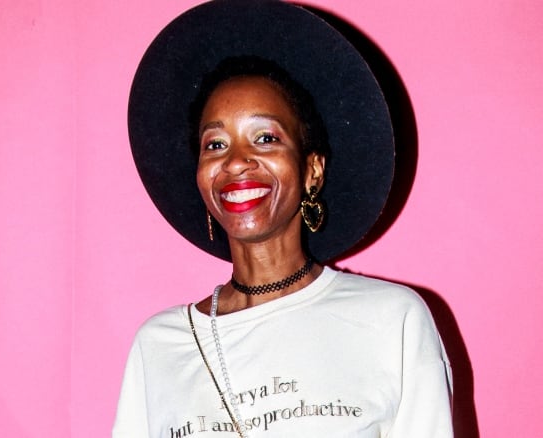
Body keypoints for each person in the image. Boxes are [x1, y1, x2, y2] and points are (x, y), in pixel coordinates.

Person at [115, 1, 453, 437]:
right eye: (215, 145)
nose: (237, 162)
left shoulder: (393, 321)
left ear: (312, 170)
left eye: (266, 138)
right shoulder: (159, 346)